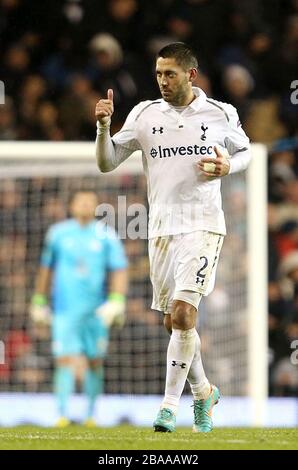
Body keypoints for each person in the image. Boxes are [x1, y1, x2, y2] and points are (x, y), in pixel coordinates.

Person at [95, 42, 251, 433]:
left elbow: (247, 152)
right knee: (174, 323)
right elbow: (107, 162)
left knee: (184, 314)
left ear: (191, 75)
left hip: (203, 224)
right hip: (161, 230)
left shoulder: (220, 113)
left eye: (170, 74)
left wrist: (228, 165)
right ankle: (204, 392)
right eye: (159, 74)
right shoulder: (145, 114)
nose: (163, 81)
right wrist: (102, 128)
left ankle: (167, 407)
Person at [30, 190, 128, 427]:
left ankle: (91, 415)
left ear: (96, 206)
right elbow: (46, 268)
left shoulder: (106, 235)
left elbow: (119, 269)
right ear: (72, 206)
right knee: (64, 359)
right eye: (81, 201)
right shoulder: (58, 233)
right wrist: (39, 300)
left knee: (95, 360)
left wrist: (116, 300)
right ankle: (61, 414)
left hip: (96, 311)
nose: (85, 205)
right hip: (65, 309)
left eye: (90, 201)